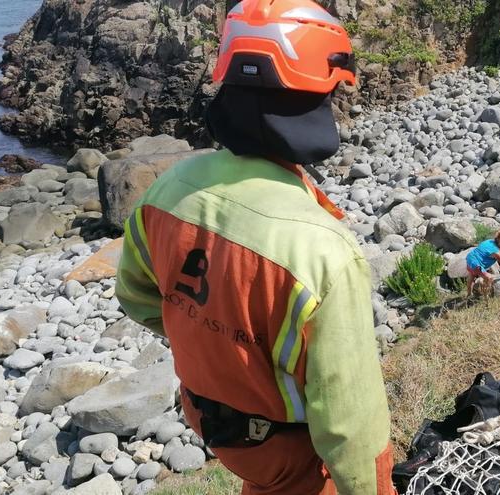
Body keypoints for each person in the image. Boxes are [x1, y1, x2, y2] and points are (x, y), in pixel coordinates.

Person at [115, 1, 395, 494]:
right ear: (318, 96)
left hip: (212, 423)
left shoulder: (167, 190)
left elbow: (139, 299)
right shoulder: (323, 250)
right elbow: (351, 426)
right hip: (287, 448)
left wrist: (218, 349)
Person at [466, 230, 500, 297]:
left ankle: (469, 294)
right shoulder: (495, 251)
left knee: (471, 277)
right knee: (489, 278)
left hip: (470, 259)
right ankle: (486, 295)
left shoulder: (490, 241)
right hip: (476, 265)